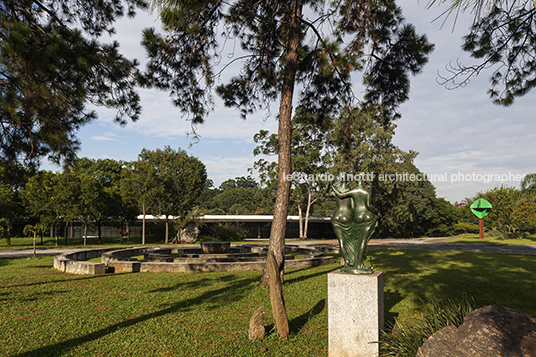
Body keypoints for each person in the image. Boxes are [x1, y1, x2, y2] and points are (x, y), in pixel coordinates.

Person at [326, 179, 379, 274]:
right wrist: (377, 213)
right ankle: (358, 264)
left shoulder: (349, 192)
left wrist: (330, 185)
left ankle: (348, 262)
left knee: (342, 241)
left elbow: (327, 194)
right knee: (359, 240)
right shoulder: (360, 192)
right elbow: (360, 206)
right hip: (351, 216)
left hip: (338, 215)